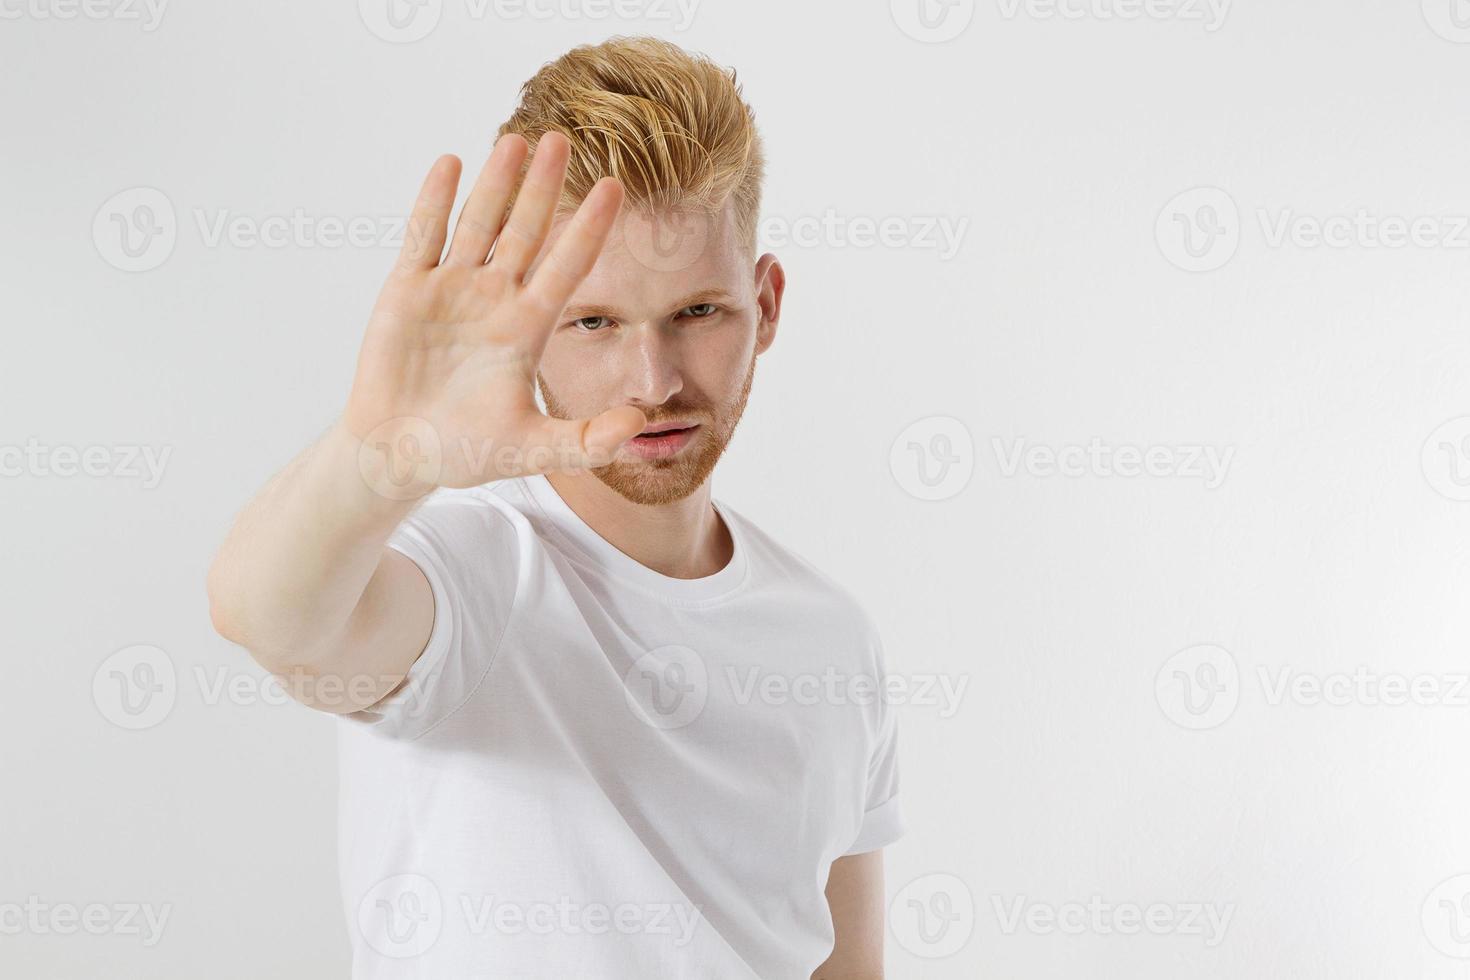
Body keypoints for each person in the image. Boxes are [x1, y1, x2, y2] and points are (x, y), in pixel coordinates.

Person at [206, 35, 902, 979]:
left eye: (698, 312)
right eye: (594, 322)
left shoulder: (832, 638)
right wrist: (379, 457)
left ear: (767, 304)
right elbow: (270, 617)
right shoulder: (472, 571)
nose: (652, 382)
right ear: (529, 323)